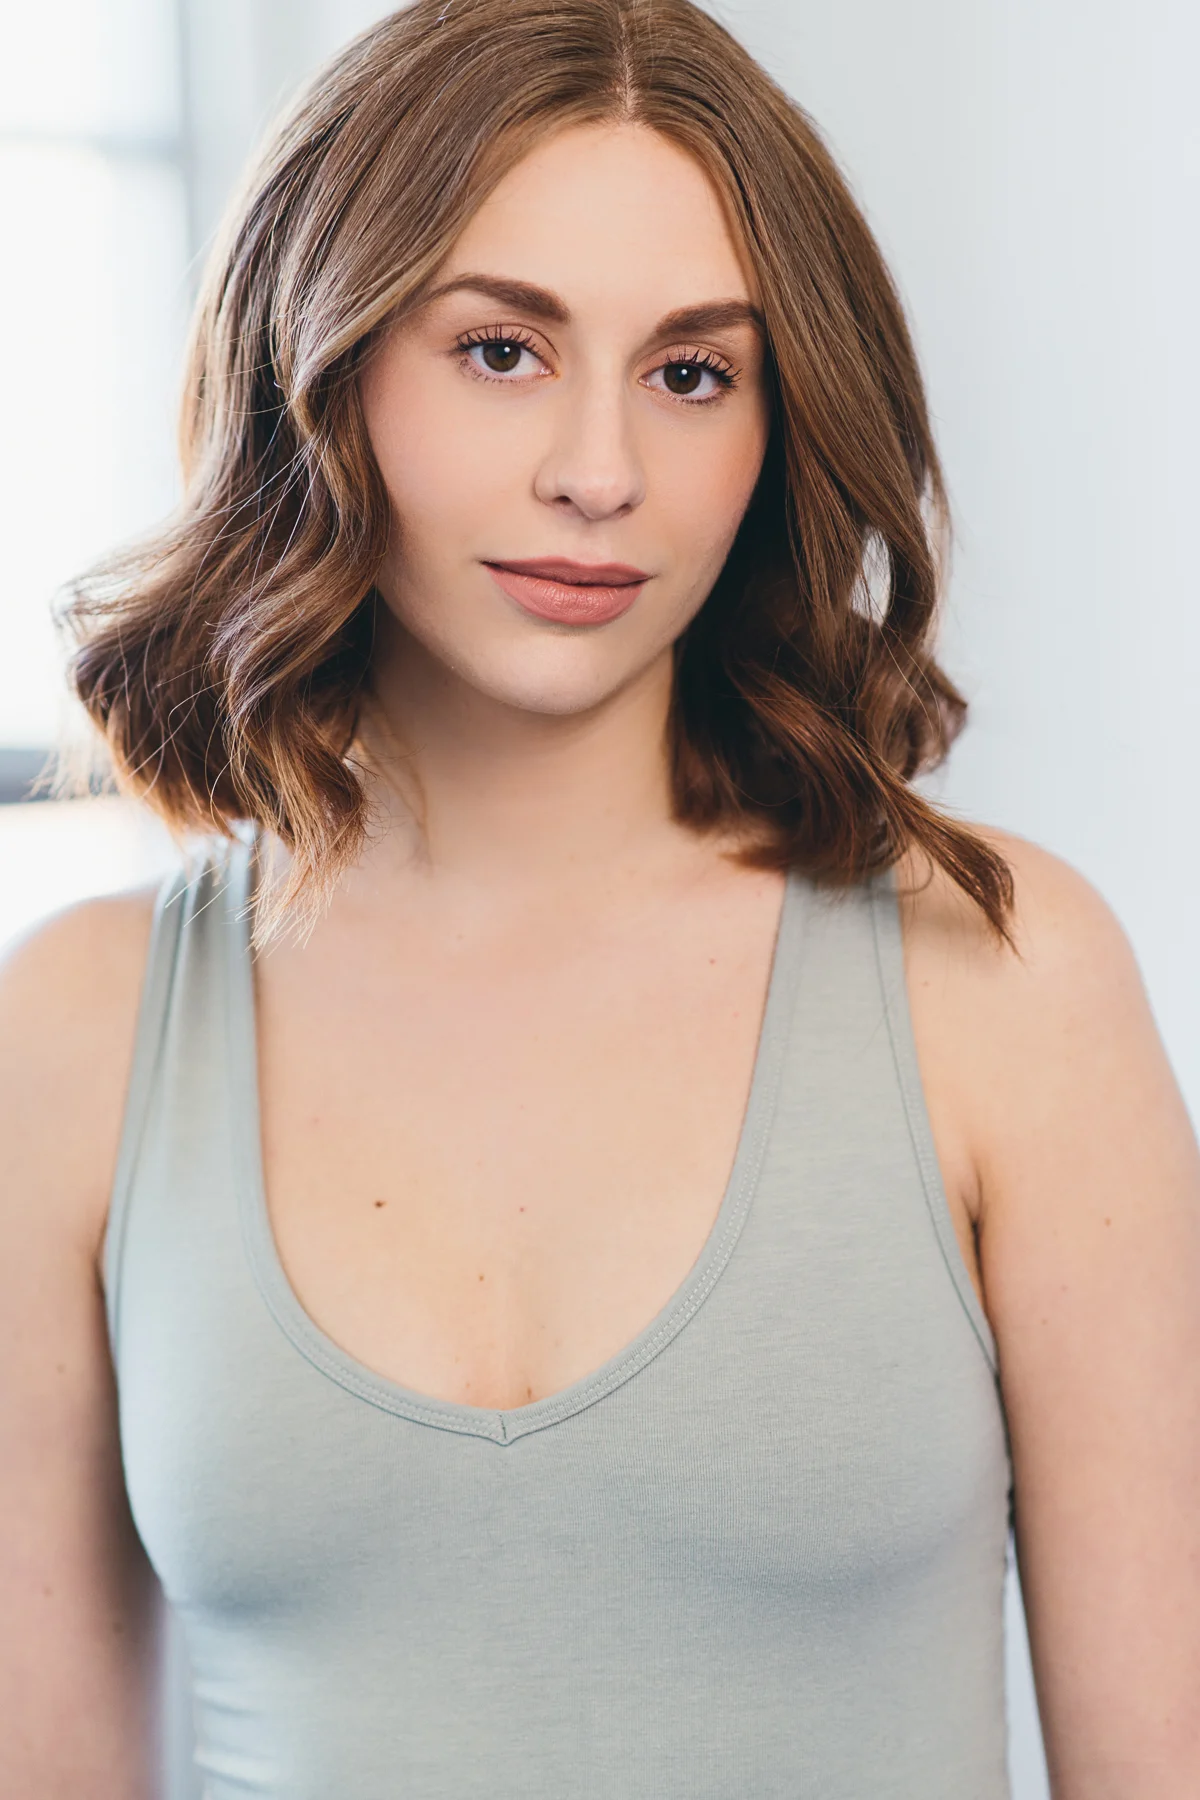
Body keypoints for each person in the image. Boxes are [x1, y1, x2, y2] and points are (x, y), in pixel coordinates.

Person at [3, 0, 1198, 1794]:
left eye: (692, 373)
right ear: (316, 366)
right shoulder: (79, 1035)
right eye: (500, 350)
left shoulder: (1003, 982)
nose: (599, 470)